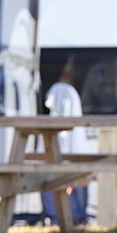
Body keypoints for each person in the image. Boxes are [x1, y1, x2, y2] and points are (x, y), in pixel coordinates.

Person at [41, 58, 92, 224]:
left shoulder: (57, 91)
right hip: (72, 146)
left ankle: (56, 215)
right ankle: (75, 216)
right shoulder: (72, 94)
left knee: (52, 175)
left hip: (61, 145)